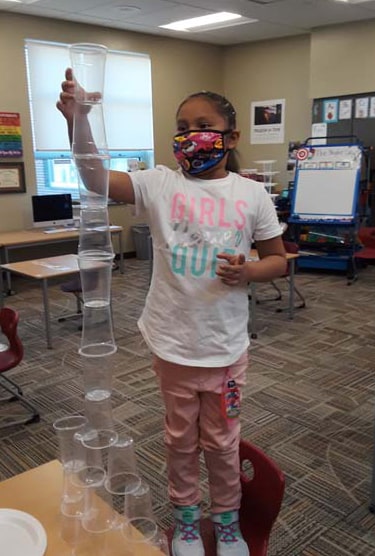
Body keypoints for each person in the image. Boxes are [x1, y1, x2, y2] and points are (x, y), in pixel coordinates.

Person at [57, 68, 286, 556]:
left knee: (223, 443)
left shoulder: (251, 195)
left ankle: (225, 522)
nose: (189, 135)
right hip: (174, 344)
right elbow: (96, 177)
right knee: (180, 441)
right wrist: (79, 122)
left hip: (226, 350)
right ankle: (185, 521)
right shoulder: (160, 184)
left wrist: (249, 272)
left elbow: (278, 260)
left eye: (202, 124)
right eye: (181, 126)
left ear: (231, 135)